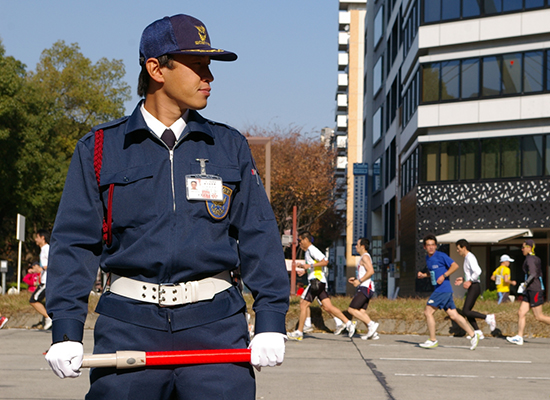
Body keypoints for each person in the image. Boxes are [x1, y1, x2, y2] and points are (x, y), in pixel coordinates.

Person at [45, 14, 289, 399]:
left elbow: (259, 235)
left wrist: (272, 319)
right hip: (128, 327)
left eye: (209, 66)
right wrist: (66, 328)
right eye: (197, 66)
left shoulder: (228, 146)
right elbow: (74, 243)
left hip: (216, 328)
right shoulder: (98, 150)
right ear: (156, 68)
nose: (209, 77)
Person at [287, 232, 356, 340]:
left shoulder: (312, 249)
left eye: (300, 241)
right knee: (327, 307)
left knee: (303, 305)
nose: (299, 243)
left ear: (306, 240)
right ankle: (348, 323)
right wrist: (305, 270)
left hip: (316, 281)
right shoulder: (309, 251)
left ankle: (299, 331)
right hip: (319, 282)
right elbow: (316, 266)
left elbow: (325, 262)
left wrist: (308, 266)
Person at [416, 234, 480, 350]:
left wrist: (444, 275)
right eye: (428, 245)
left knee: (428, 312)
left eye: (433, 245)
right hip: (442, 290)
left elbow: (454, 266)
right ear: (424, 247)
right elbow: (434, 273)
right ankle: (473, 335)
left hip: (443, 289)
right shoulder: (428, 259)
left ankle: (432, 340)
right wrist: (424, 275)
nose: (431, 247)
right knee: (453, 315)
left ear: (435, 246)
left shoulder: (441, 255)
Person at [506, 239, 550, 345]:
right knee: (521, 312)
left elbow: (533, 273)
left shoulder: (530, 259)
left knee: (539, 316)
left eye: (523, 247)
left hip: (534, 290)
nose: (521, 249)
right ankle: (519, 337)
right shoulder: (535, 258)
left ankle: (519, 337)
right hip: (530, 290)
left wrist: (525, 284)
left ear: (529, 247)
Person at [454, 239, 497, 339]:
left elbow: (478, 271)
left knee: (465, 311)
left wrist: (469, 281)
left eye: (458, 248)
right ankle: (478, 332)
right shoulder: (467, 258)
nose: (457, 251)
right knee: (467, 310)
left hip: (475, 286)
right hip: (473, 286)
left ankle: (488, 317)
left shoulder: (470, 257)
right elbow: (471, 273)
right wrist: (464, 279)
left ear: (464, 247)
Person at [347, 238, 379, 340]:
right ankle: (373, 333)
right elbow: (365, 272)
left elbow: (371, 271)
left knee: (351, 309)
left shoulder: (365, 257)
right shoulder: (364, 257)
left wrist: (359, 281)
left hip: (365, 287)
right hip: (365, 287)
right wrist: (356, 279)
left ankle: (371, 324)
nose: (356, 247)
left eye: (357, 245)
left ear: (363, 246)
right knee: (361, 311)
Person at [30, 229, 52, 330]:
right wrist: (35, 270)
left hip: (46, 281)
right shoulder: (43, 249)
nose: (35, 239)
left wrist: (41, 269)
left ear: (42, 237)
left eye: (37, 237)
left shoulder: (47, 248)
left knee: (33, 300)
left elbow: (53, 262)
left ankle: (48, 318)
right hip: (45, 280)